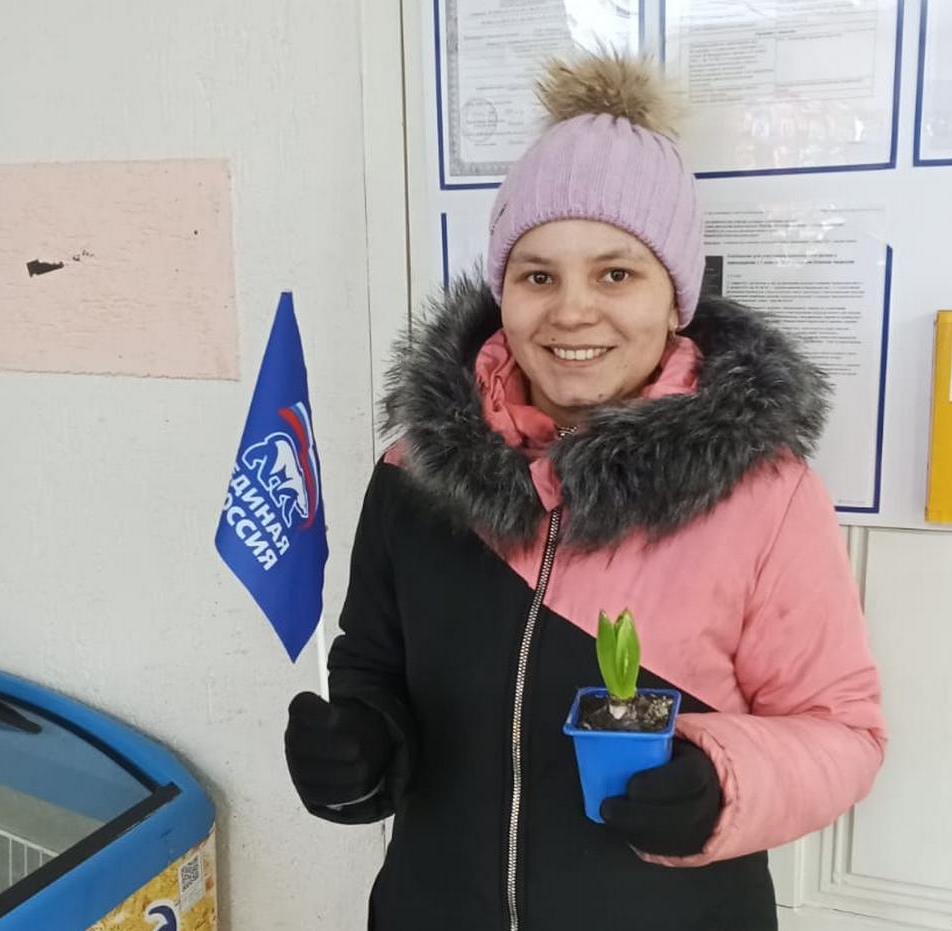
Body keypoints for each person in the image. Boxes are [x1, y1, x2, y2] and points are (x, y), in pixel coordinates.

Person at [285, 52, 886, 931]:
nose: (571, 310)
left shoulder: (766, 494)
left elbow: (843, 732)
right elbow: (371, 663)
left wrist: (723, 781)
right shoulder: (414, 473)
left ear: (676, 299)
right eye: (538, 275)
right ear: (503, 291)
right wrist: (363, 753)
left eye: (616, 273)